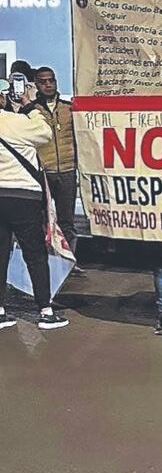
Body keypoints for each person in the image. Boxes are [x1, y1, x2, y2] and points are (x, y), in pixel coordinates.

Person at [0, 98, 68, 330]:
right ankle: (45, 311)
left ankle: (0, 311)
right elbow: (45, 133)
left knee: (0, 255)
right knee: (35, 255)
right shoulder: (18, 121)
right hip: (24, 196)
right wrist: (29, 104)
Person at [30, 67, 78, 256]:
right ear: (36, 84)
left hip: (67, 169)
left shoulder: (69, 108)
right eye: (43, 81)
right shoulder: (32, 110)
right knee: (42, 219)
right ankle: (46, 258)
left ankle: (70, 260)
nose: (48, 84)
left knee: (67, 220)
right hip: (43, 171)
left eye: (51, 80)